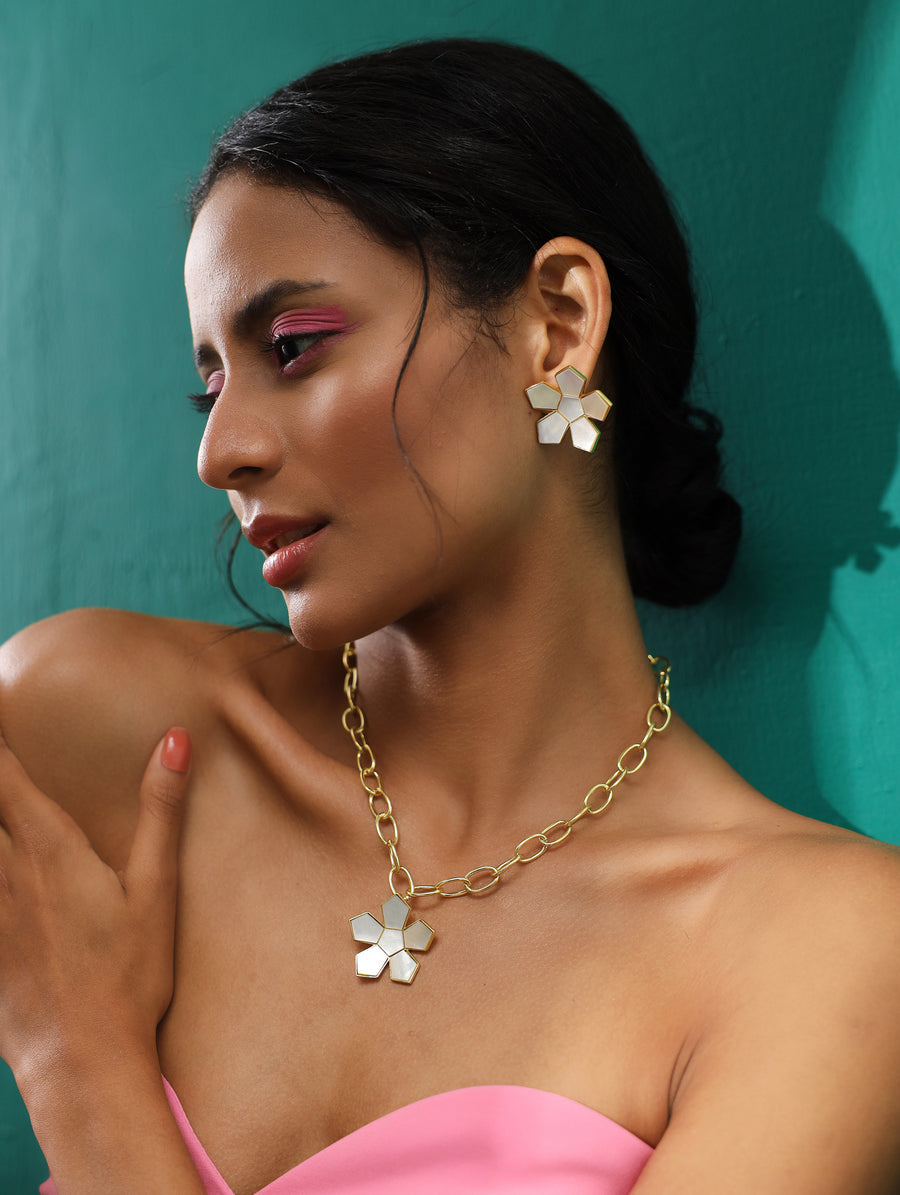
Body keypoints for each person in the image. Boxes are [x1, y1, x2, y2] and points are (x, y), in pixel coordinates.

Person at [1, 37, 899, 1195]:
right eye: (210, 383)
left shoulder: (826, 950)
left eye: (294, 348)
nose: (221, 452)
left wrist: (77, 1066)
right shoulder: (92, 734)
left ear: (558, 322)